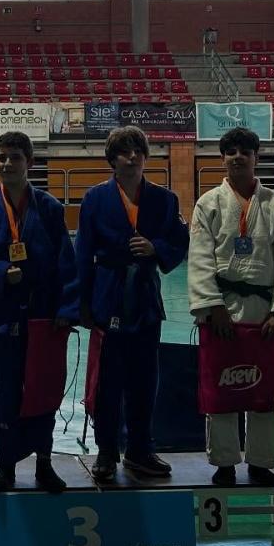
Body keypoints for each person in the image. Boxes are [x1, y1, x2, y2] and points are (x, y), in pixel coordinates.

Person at [0, 131, 78, 492]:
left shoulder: (50, 208)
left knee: (43, 389)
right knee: (6, 391)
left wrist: (66, 309)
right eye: (2, 157)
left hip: (44, 314)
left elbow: (66, 262)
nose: (7, 163)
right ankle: (6, 466)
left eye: (15, 157)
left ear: (30, 163)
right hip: (4, 312)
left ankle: (44, 463)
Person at [188, 127, 274, 486]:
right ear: (222, 158)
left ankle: (261, 461)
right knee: (221, 389)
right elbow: (200, 259)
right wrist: (212, 306)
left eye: (245, 151)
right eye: (231, 151)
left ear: (256, 157)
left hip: (263, 312)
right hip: (221, 309)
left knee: (265, 391)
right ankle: (224, 462)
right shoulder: (208, 204)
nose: (238, 156)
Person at [76, 126, 189, 481]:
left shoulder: (165, 199)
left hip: (145, 298)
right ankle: (106, 452)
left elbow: (180, 241)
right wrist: (82, 304)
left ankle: (140, 450)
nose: (133, 156)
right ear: (112, 159)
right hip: (107, 295)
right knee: (107, 382)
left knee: (144, 380)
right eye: (125, 151)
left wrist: (157, 249)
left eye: (138, 150)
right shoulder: (95, 198)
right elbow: (83, 253)